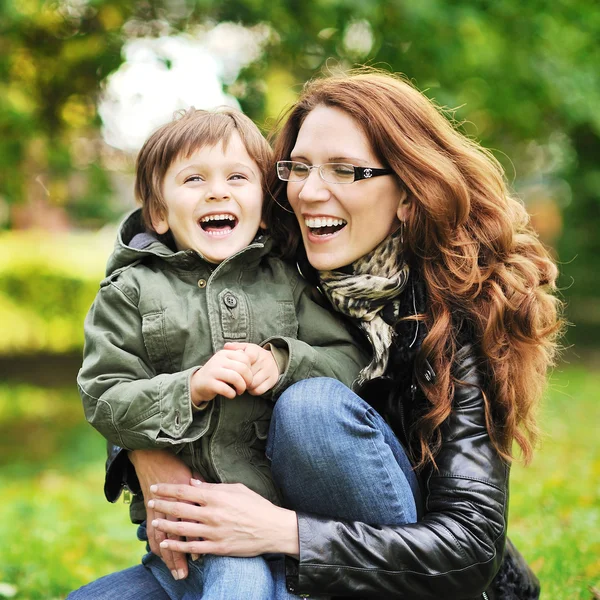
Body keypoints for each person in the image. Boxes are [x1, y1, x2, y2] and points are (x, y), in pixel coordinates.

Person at [102, 70, 561, 599]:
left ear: (410, 195)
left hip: (407, 575)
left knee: (312, 408)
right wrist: (140, 451)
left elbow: (468, 546)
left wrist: (283, 531)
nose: (310, 191)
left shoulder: (459, 311)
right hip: (261, 555)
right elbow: (147, 329)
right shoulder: (269, 260)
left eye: (347, 170)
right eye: (299, 167)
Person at [70, 107, 370, 599]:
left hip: (278, 515)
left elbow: (350, 362)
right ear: (159, 213)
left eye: (237, 176)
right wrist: (187, 388)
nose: (218, 191)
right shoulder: (130, 291)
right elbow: (104, 397)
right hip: (192, 530)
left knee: (242, 584)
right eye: (194, 179)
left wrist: (282, 361)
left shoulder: (286, 280)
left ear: (264, 201)